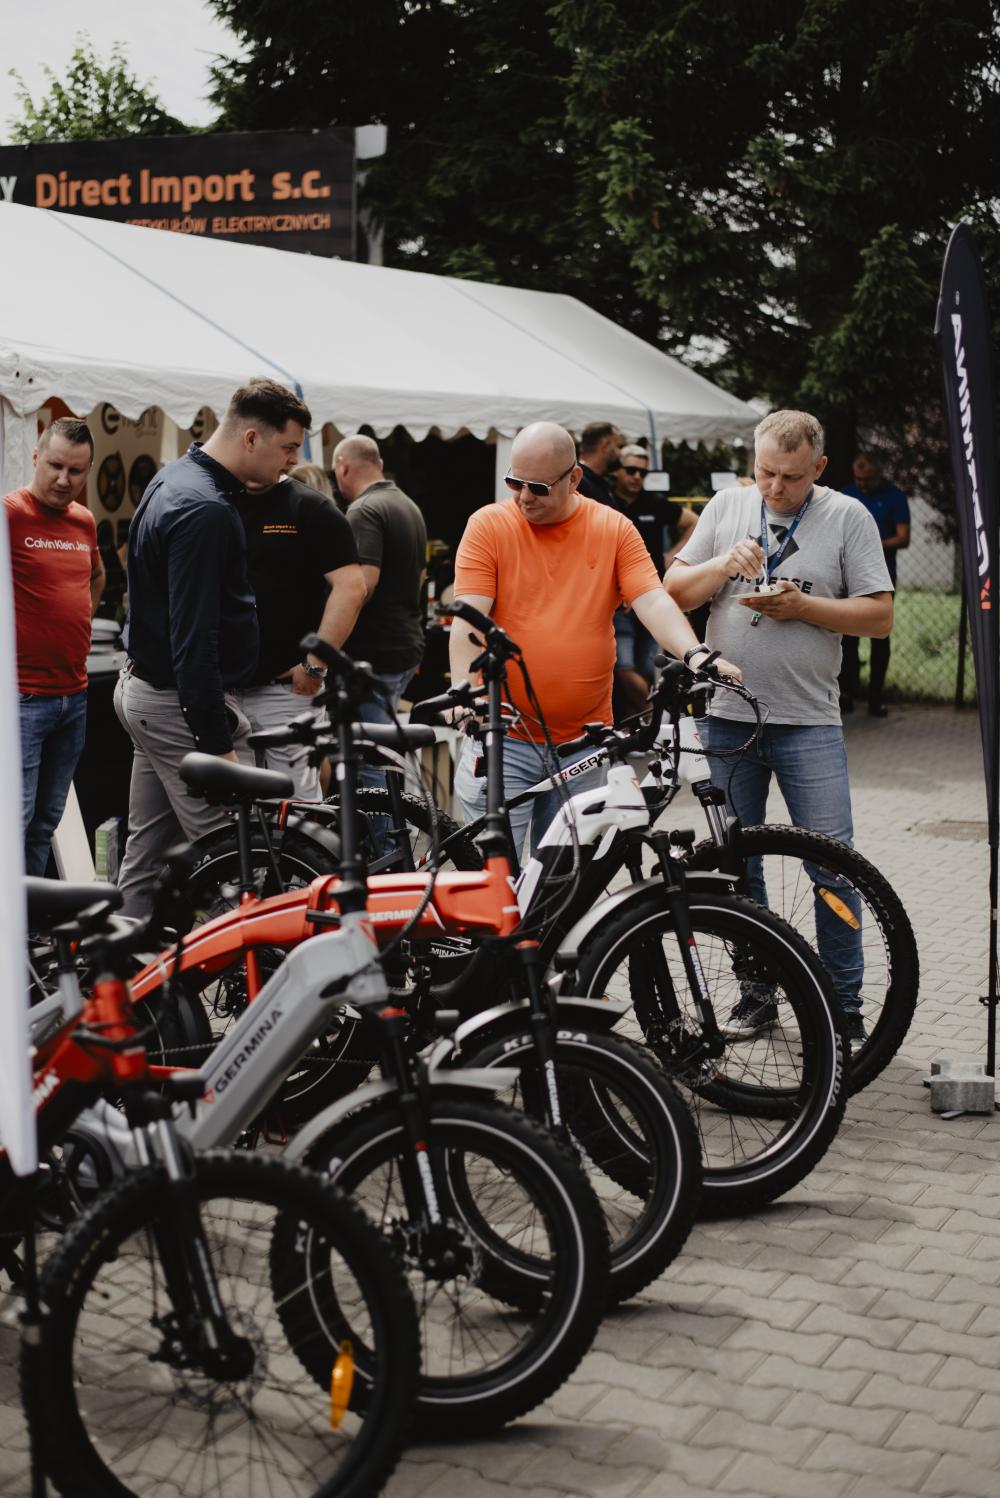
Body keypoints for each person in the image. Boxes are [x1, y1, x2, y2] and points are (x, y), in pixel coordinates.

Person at [666, 409, 893, 1047]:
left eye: (791, 477)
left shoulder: (848, 516)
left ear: (819, 468)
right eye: (765, 472)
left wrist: (803, 607)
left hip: (808, 721)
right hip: (727, 718)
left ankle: (843, 1007)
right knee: (735, 865)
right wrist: (720, 567)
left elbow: (879, 618)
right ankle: (756, 993)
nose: (774, 487)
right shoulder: (726, 506)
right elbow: (674, 591)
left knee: (834, 866)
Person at [450, 420, 740, 862]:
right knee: (497, 882)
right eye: (514, 482)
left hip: (583, 743)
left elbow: (652, 600)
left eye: (538, 487)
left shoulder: (613, 528)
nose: (524, 497)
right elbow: (469, 619)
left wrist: (696, 653)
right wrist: (464, 693)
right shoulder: (488, 525)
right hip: (504, 740)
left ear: (574, 478)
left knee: (565, 883)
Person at [116, 378, 311, 916]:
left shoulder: (178, 476)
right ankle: (255, 970)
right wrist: (217, 744)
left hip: (151, 693)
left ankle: (117, 960)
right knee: (236, 863)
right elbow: (194, 639)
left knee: (146, 854)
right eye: (287, 447)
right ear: (251, 438)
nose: (292, 462)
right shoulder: (204, 508)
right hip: (175, 704)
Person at [5, 417, 104, 876]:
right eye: (56, 466)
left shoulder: (84, 521)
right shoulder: (10, 514)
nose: (64, 479)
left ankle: (28, 913)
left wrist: (77, 621)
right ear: (36, 458)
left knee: (45, 822)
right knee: (15, 821)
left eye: (76, 470)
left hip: (73, 696)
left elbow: (96, 577)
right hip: (22, 697)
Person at [237, 471, 366, 798]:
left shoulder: (310, 508)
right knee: (236, 809)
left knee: (297, 807)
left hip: (284, 688)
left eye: (293, 448)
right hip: (228, 689)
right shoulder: (219, 498)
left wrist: (314, 665)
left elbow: (353, 588)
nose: (292, 458)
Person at [333, 435, 428, 723]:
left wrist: (329, 639)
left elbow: (362, 586)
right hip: (405, 646)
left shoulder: (363, 510)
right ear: (380, 464)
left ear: (343, 466)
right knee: (384, 739)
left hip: (374, 655)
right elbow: (421, 576)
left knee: (369, 746)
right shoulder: (408, 506)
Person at [611, 444, 698, 715]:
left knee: (648, 666)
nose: (637, 476)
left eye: (643, 472)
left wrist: (673, 555)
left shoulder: (654, 503)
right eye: (631, 470)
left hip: (651, 593)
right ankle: (652, 714)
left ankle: (645, 722)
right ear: (617, 471)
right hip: (618, 598)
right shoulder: (606, 500)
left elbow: (694, 521)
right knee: (622, 665)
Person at [838, 451, 910, 717]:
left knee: (880, 635)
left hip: (881, 576)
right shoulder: (847, 494)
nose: (863, 484)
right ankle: (847, 692)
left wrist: (873, 545)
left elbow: (903, 537)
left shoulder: (895, 497)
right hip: (847, 576)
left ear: (880, 473)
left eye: (868, 479)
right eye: (859, 479)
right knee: (847, 636)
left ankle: (875, 697)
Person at [576, 421, 624, 509]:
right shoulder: (576, 483)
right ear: (605, 446)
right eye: (618, 446)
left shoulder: (600, 482)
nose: (620, 453)